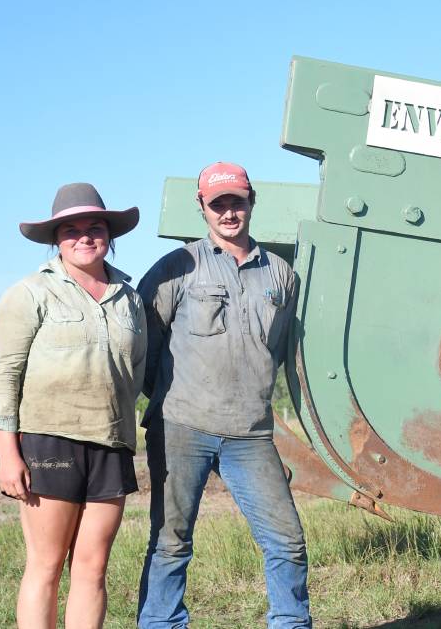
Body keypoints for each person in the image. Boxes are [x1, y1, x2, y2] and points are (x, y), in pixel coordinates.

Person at [136, 162, 309, 628]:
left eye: (236, 201)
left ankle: (290, 623)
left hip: (251, 434)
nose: (228, 212)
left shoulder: (280, 274)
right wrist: (166, 400)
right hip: (182, 426)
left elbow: (280, 351)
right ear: (202, 207)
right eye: (218, 204)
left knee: (287, 540)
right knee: (171, 541)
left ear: (252, 201)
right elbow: (144, 343)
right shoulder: (178, 267)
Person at [0, 183, 145, 628]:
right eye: (71, 230)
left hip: (111, 444)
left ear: (110, 235)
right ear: (56, 239)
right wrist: (8, 455)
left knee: (93, 569)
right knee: (47, 566)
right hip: (48, 440)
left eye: (95, 227)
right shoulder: (31, 293)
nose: (85, 237)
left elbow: (137, 375)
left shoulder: (130, 299)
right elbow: (2, 375)